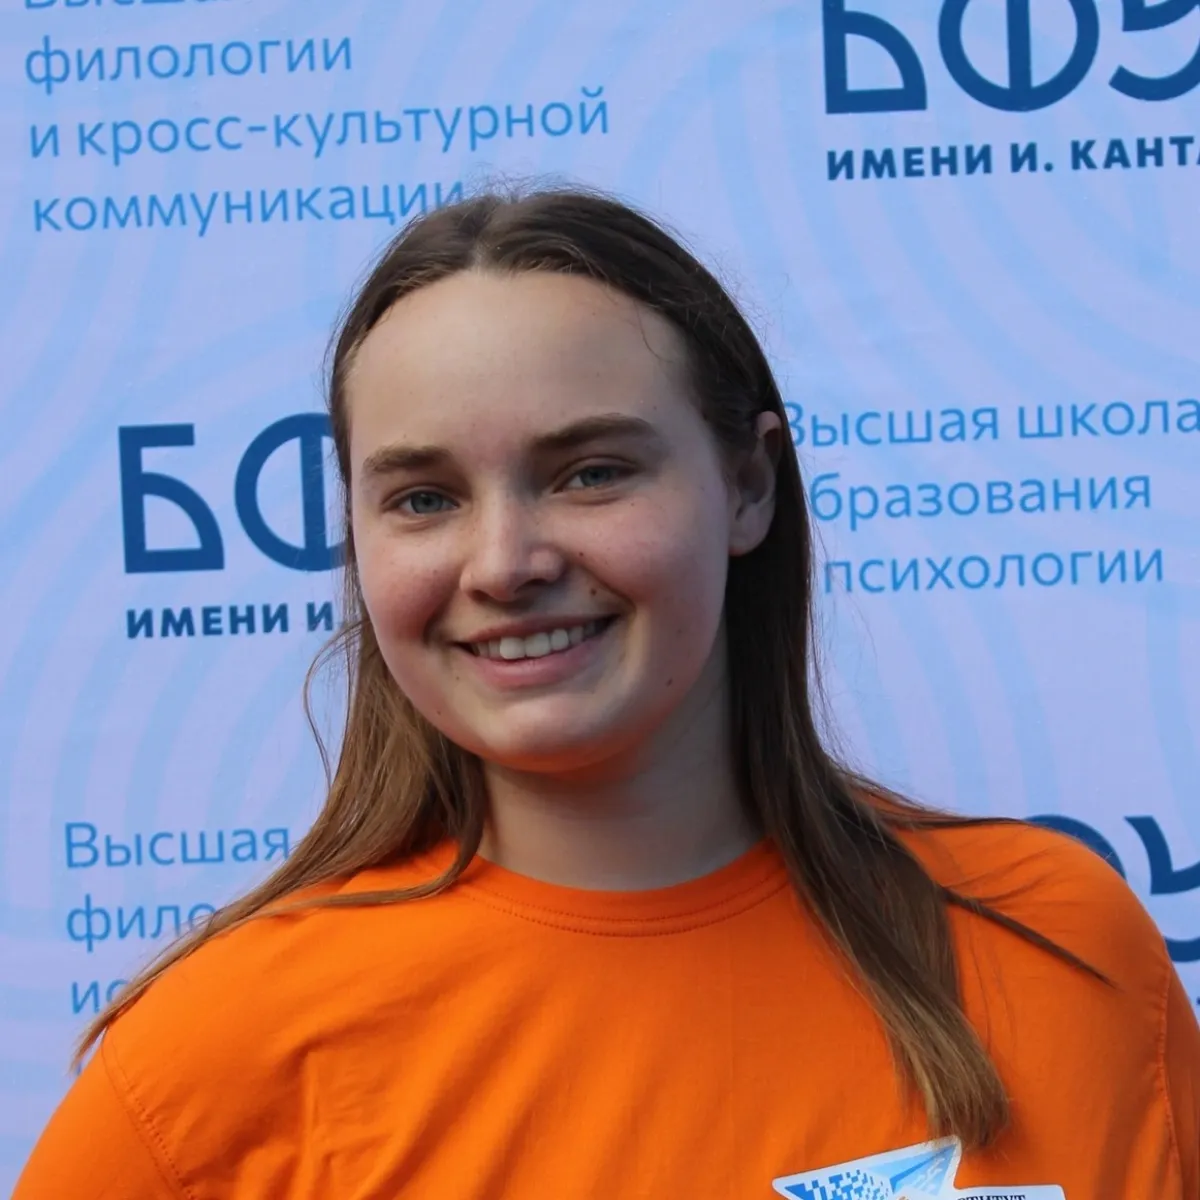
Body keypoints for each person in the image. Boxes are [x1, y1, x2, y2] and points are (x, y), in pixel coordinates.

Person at [15, 186, 1199, 1199]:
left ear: (748, 486)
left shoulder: (1061, 946)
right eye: (424, 498)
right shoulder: (217, 1058)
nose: (505, 563)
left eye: (590, 473)